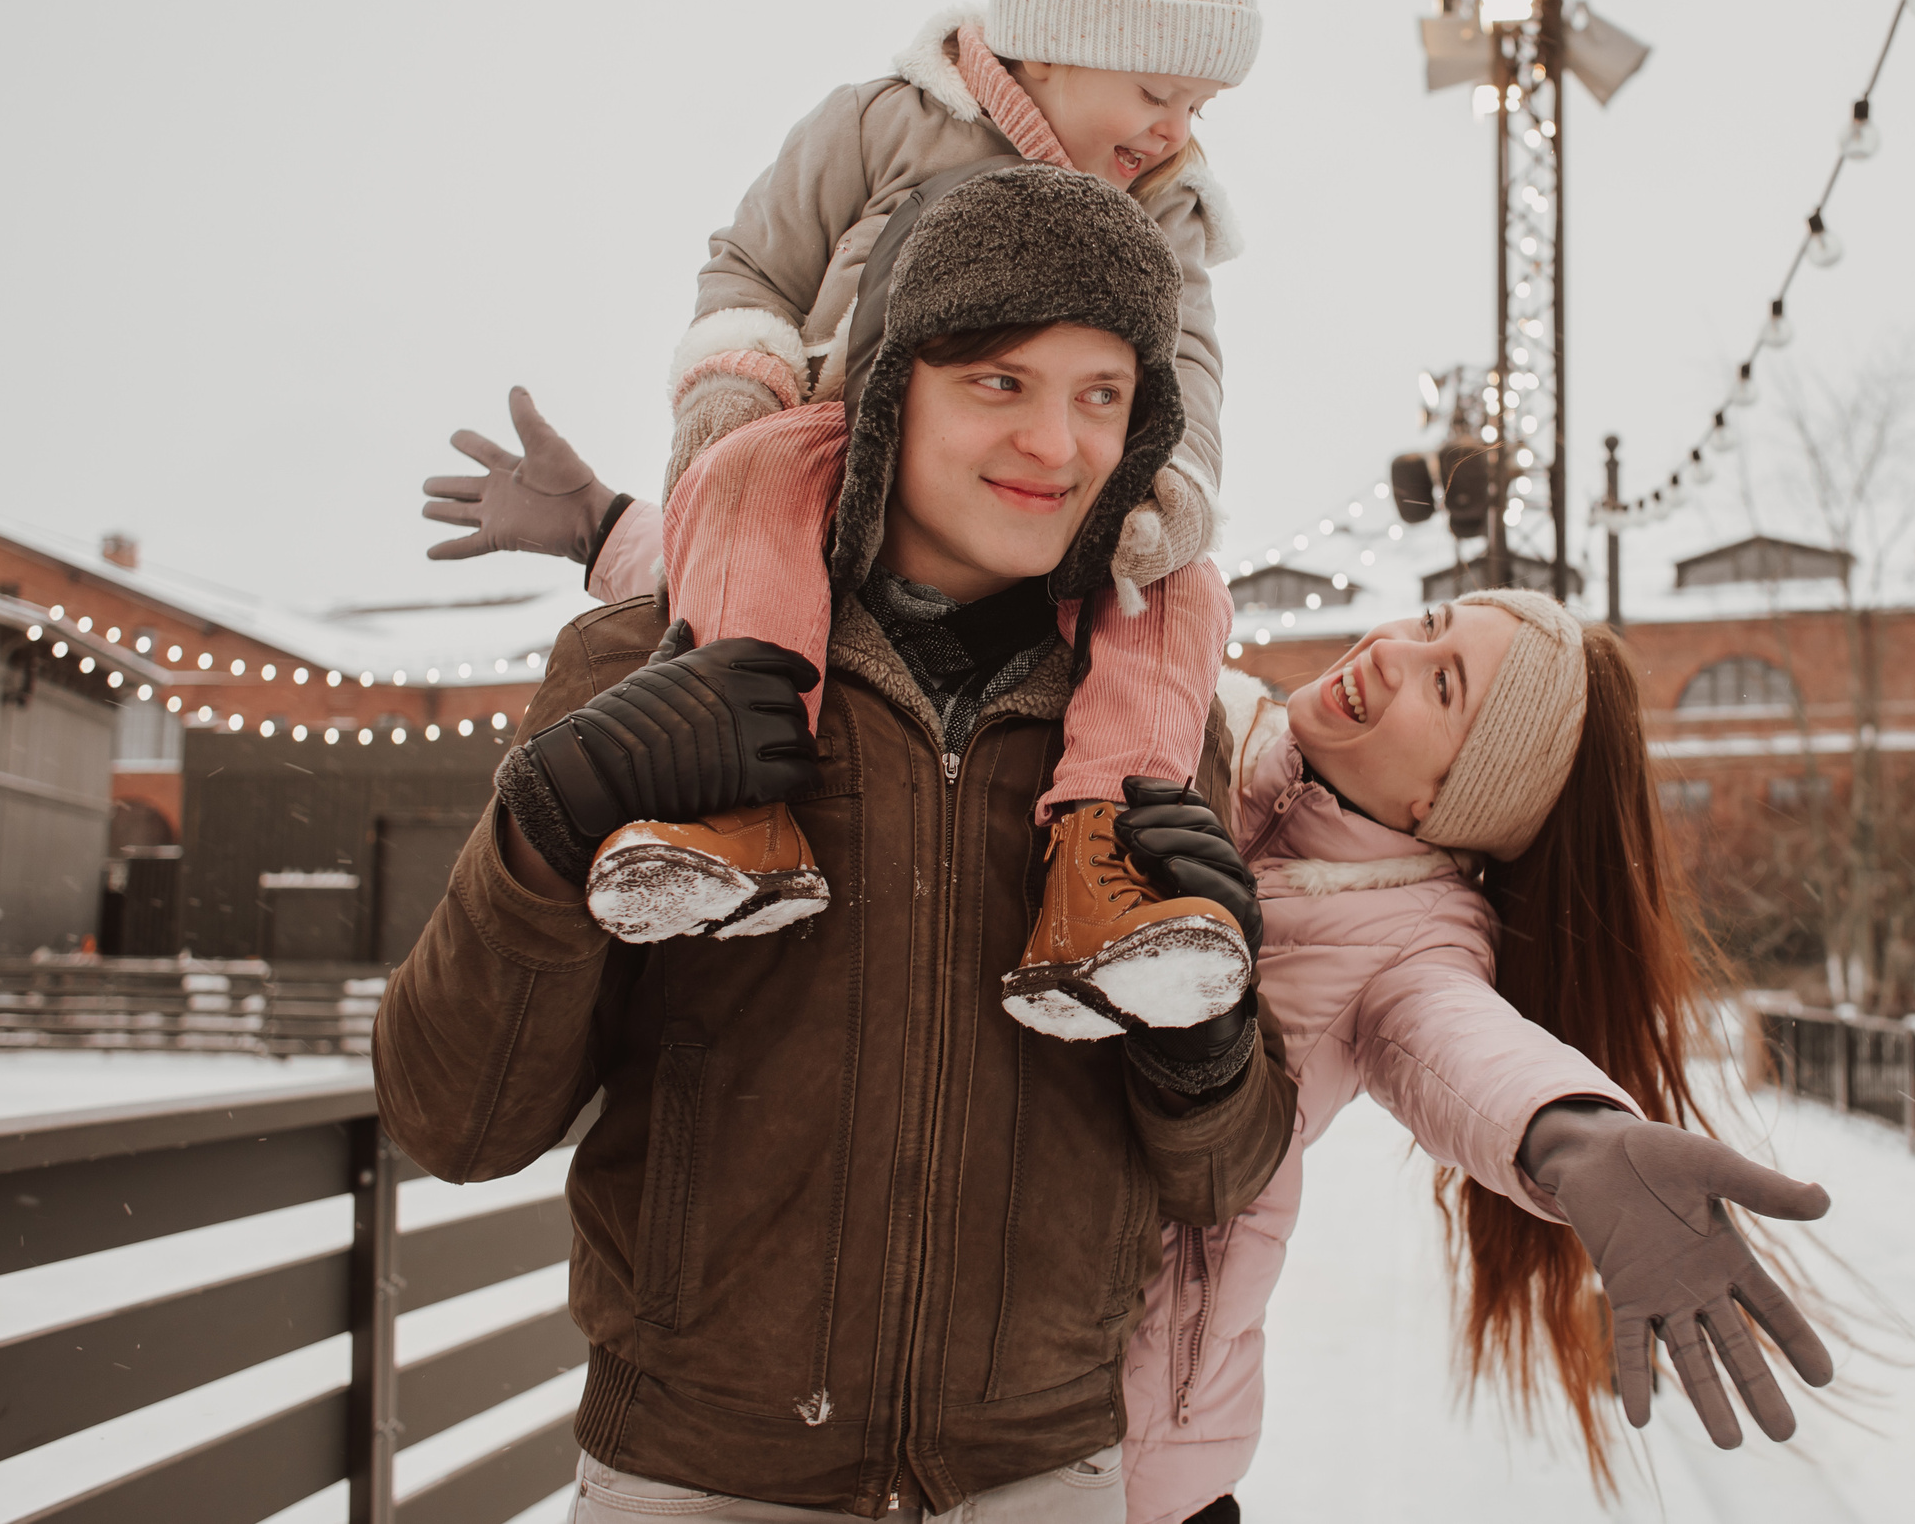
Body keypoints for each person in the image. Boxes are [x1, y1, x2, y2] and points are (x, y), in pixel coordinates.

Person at [375, 163, 1297, 1521]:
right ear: (887, 385)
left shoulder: (1151, 734)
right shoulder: (648, 664)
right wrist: (547, 824)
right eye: (1001, 380)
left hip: (1039, 1472)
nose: (1058, 443)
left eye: (1103, 394)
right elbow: (454, 1118)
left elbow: (1217, 1176)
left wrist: (1208, 1042)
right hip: (701, 1474)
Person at [418, 0, 1262, 1040]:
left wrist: (1163, 484)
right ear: (1062, 42)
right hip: (826, 433)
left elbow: (1190, 362)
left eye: (1198, 105)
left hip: (1048, 549)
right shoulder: (888, 124)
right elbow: (756, 259)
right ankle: (733, 779)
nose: (1176, 129)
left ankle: (1102, 858)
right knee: (754, 485)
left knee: (1174, 592)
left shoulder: (1163, 206)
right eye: (1156, 92)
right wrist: (738, 386)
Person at [1114, 593, 1839, 1522]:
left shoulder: (1417, 934)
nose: (1389, 653)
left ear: (1442, 800)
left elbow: (1462, 1046)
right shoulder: (1199, 723)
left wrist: (1575, 1132)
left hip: (1144, 1450)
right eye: (1426, 625)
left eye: (1443, 683)